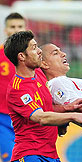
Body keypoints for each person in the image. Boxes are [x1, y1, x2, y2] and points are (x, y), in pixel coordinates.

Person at [3, 30, 82, 162]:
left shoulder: (39, 74)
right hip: (30, 155)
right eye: (34, 48)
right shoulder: (18, 89)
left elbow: (47, 108)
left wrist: (68, 108)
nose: (39, 51)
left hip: (51, 154)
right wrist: (74, 115)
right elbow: (41, 117)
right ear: (22, 56)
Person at [0, 12, 26, 162]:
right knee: (10, 158)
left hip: (26, 118)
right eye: (12, 26)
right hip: (2, 118)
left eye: (20, 26)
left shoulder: (33, 56)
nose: (16, 30)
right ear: (6, 30)